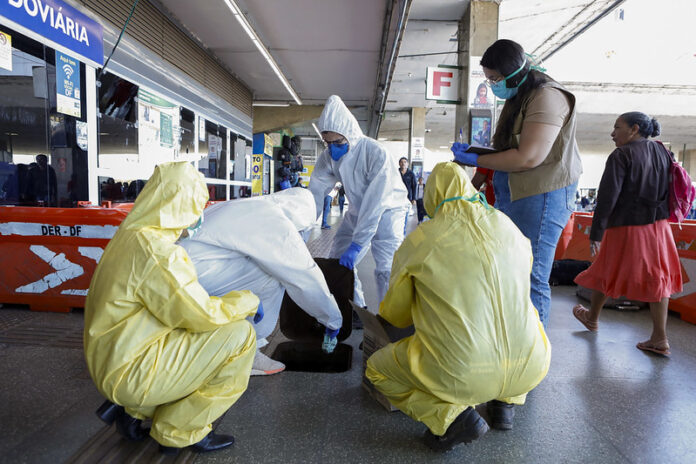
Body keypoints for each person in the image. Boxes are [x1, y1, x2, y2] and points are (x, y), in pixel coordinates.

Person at [366, 162, 550, 451]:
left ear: (431, 196)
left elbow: (396, 316)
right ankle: (505, 404)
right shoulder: (507, 225)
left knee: (377, 370)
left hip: (462, 372)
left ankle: (452, 418)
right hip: (531, 364)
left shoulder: (422, 239)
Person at [85, 162, 261, 454]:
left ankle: (133, 411)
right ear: (183, 205)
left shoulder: (131, 235)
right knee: (240, 336)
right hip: (130, 372)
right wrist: (247, 301)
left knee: (187, 337)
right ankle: (179, 431)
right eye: (197, 205)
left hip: (110, 358)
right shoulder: (159, 252)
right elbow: (201, 315)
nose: (199, 215)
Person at [451, 39, 583, 328]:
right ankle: (511, 340)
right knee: (511, 273)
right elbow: (508, 146)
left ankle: (532, 350)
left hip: (541, 196)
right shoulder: (521, 96)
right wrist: (475, 158)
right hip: (516, 194)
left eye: (495, 79)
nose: (492, 85)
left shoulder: (547, 97)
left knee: (530, 276)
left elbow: (528, 157)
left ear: (513, 73)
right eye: (489, 79)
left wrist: (477, 159)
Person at [179, 188, 344, 375]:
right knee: (272, 275)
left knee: (260, 264)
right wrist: (332, 319)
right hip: (192, 276)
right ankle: (244, 352)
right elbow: (303, 275)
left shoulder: (252, 205)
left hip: (180, 269)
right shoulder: (276, 222)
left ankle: (231, 339)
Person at [573, 113, 683, 356]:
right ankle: (659, 337)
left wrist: (596, 232)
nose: (612, 133)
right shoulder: (662, 151)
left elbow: (607, 197)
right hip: (659, 226)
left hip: (627, 225)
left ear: (634, 129)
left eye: (617, 127)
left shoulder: (621, 155)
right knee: (657, 277)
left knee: (607, 269)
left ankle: (593, 319)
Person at [309, 95, 410, 306]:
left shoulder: (375, 153)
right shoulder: (328, 157)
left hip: (389, 211)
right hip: (358, 208)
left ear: (350, 135)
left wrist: (357, 245)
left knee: (386, 268)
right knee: (338, 260)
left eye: (338, 142)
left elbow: (376, 203)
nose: (332, 148)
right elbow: (315, 194)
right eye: (327, 143)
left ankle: (389, 318)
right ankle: (355, 308)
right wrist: (302, 229)